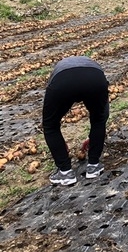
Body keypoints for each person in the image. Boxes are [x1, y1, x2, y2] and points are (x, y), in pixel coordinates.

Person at [43, 56, 110, 185]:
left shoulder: (58, 69)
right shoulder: (94, 66)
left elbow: (50, 119)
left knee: (50, 125)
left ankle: (65, 172)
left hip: (63, 81)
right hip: (95, 79)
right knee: (99, 119)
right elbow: (103, 114)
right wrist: (93, 137)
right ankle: (94, 166)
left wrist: (59, 144)